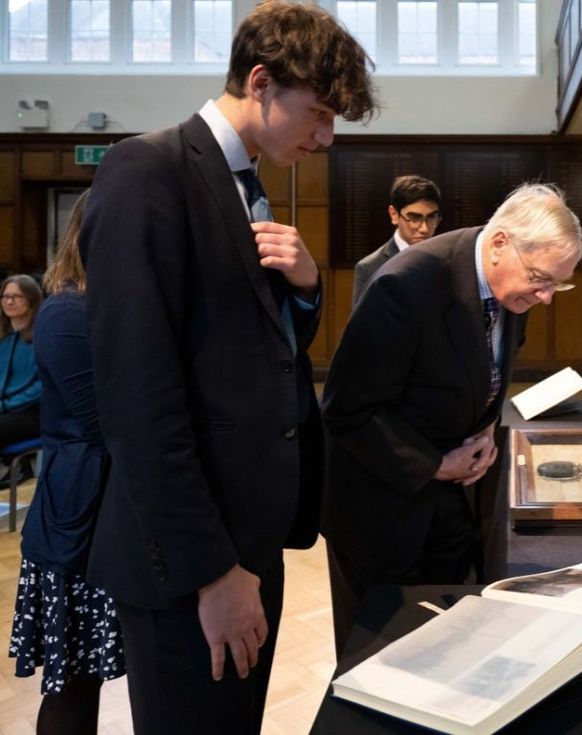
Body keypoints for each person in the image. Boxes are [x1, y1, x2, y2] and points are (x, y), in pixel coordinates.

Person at [78, 3, 377, 733]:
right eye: (320, 113)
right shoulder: (147, 171)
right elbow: (138, 399)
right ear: (261, 80)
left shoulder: (244, 180)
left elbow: (250, 353)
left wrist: (305, 292)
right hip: (191, 556)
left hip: (248, 538)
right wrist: (212, 570)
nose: (327, 136)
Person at [321, 183, 582, 655]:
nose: (547, 297)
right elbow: (347, 409)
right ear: (501, 243)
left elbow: (485, 368)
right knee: (379, 655)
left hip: (450, 500)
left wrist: (484, 426)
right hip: (383, 508)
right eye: (542, 279)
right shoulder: (408, 283)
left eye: (558, 284)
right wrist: (436, 464)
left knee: (443, 645)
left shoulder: (512, 284)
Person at [8, 190, 125, 735]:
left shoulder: (116, 304)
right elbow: (109, 425)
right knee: (75, 685)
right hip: (81, 519)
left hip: (113, 510)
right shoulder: (66, 310)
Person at [352, 174, 443, 305]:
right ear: (394, 214)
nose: (424, 228)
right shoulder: (369, 268)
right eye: (414, 218)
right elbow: (362, 324)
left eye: (431, 217)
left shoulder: (447, 262)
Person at [0, 274, 43, 462]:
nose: (9, 301)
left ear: (31, 300)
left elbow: (41, 387)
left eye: (16, 297)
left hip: (30, 412)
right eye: (5, 296)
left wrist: (5, 405)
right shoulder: (3, 337)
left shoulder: (43, 336)